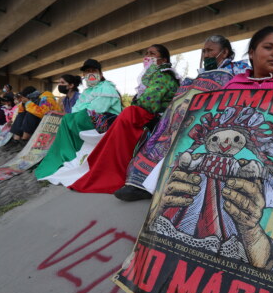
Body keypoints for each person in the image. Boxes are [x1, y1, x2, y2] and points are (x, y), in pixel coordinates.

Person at [151, 26, 273, 269]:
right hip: (229, 166)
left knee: (268, 197)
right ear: (251, 53)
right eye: (268, 47)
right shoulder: (232, 85)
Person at [114, 35, 250, 201]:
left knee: (185, 138)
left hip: (216, 120)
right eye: (204, 51)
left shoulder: (238, 70)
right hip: (189, 116)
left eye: (210, 50)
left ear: (224, 52)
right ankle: (140, 184)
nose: (206, 55)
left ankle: (159, 186)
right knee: (163, 135)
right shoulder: (202, 73)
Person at [66, 45, 180, 192]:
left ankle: (114, 171)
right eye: (146, 53)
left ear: (163, 59)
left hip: (161, 118)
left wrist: (134, 105)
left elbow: (148, 103)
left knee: (129, 115)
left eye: (152, 53)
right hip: (149, 114)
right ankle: (103, 167)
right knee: (126, 115)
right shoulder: (152, 76)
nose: (147, 56)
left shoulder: (163, 75)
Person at [35, 59, 122, 179]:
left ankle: (72, 154)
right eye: (87, 71)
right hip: (90, 119)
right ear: (84, 76)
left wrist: (84, 109)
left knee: (78, 117)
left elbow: (97, 109)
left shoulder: (107, 88)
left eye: (93, 70)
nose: (90, 74)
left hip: (108, 122)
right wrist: (84, 109)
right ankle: (64, 156)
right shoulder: (87, 92)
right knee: (68, 119)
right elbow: (76, 109)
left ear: (100, 74)